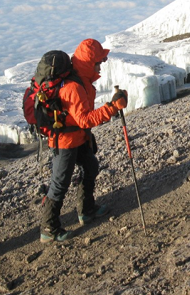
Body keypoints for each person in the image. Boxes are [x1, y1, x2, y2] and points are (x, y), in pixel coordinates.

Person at [39, 38, 128, 243]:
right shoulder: (74, 87)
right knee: (60, 183)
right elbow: (84, 119)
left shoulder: (83, 81)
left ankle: (86, 210)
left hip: (78, 137)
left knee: (90, 167)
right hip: (65, 142)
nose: (100, 65)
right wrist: (112, 108)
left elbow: (82, 118)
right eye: (98, 62)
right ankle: (48, 228)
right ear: (90, 63)